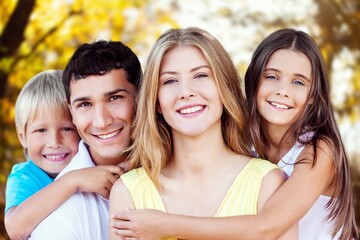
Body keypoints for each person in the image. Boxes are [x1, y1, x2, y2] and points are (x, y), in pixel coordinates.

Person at [110, 28, 359, 240]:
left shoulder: (319, 151)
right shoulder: (253, 149)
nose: (283, 91)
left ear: (314, 95)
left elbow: (266, 226)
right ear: (252, 82)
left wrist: (165, 225)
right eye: (272, 77)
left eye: (298, 82)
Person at [29, 40, 142, 240]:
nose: (102, 121)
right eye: (85, 104)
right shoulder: (63, 217)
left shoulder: (179, 161)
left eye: (114, 98)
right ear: (71, 110)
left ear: (141, 96)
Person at [4, 70, 124, 240]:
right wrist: (73, 180)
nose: (54, 142)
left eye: (67, 129)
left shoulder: (91, 164)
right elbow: (15, 228)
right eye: (40, 130)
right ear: (22, 137)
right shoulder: (25, 177)